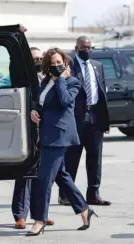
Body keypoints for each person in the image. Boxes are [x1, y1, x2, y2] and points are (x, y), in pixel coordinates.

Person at [25, 47, 97, 237]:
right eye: (53, 63)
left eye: (59, 63)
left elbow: (66, 102)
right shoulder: (46, 82)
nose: (56, 66)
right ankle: (84, 209)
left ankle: (39, 220)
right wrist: (35, 112)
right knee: (61, 176)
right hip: (46, 133)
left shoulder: (72, 82)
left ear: (65, 63)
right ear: (48, 66)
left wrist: (61, 80)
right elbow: (42, 104)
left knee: (44, 179)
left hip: (59, 135)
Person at [58, 36, 111, 206]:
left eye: (89, 47)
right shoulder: (69, 67)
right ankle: (66, 194)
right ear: (76, 48)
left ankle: (93, 194)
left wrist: (105, 121)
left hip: (95, 117)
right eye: (83, 47)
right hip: (75, 119)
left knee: (95, 158)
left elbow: (101, 93)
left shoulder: (98, 66)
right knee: (72, 157)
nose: (86, 50)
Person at [12, 47, 54, 229]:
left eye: (39, 58)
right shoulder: (23, 78)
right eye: (34, 58)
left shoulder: (47, 80)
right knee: (25, 173)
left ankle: (40, 213)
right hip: (26, 131)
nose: (37, 61)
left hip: (44, 131)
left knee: (42, 175)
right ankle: (20, 215)